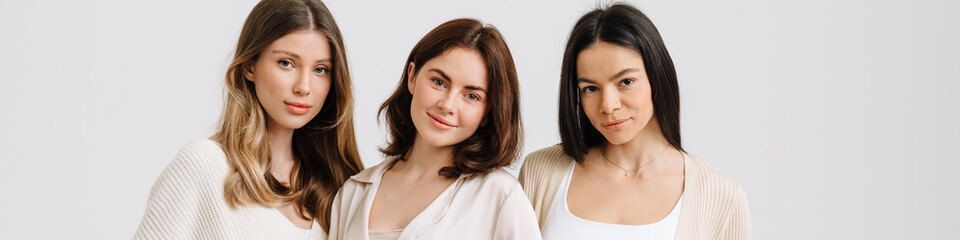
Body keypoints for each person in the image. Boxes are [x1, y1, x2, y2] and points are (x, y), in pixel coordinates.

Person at [519, 3, 751, 239]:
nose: (608, 105)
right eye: (590, 88)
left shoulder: (722, 198)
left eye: (626, 82)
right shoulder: (540, 172)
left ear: (657, 75)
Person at [133, 0, 362, 238]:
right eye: (286, 63)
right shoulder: (203, 165)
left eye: (320, 69)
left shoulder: (336, 185)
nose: (303, 87)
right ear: (249, 65)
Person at [328, 18, 541, 240]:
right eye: (439, 82)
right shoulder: (354, 193)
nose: (447, 105)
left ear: (488, 112)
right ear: (412, 76)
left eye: (471, 96)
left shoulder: (500, 196)